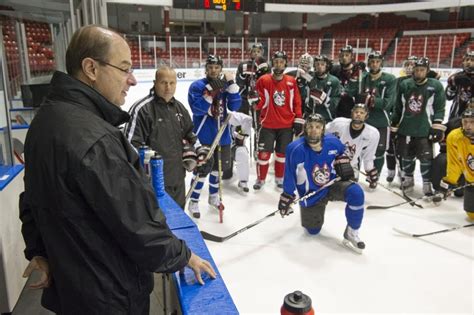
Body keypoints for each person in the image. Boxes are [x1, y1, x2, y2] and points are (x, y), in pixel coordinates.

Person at [19, 25, 216, 314]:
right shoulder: (97, 139)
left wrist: (39, 251)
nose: (133, 80)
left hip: (71, 289)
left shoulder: (45, 120)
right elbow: (138, 226)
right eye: (124, 69)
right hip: (109, 295)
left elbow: (32, 199)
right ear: (91, 68)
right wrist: (185, 256)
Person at [278, 114, 366, 253]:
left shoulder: (333, 142)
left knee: (356, 193)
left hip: (332, 184)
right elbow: (289, 174)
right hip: (311, 194)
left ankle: (352, 232)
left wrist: (342, 161)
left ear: (323, 129)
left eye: (318, 127)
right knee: (313, 231)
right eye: (310, 126)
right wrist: (287, 195)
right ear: (305, 128)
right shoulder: (295, 149)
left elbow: (341, 152)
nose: (314, 130)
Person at [124, 66, 196, 209]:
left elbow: (191, 135)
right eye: (163, 82)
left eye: (172, 83)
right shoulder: (142, 109)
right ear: (155, 82)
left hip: (177, 182)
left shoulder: (180, 108)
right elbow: (129, 146)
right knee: (158, 228)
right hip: (153, 187)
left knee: (179, 225)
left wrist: (198, 153)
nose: (168, 87)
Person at [187, 54, 241, 218]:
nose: (213, 70)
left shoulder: (224, 86)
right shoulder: (197, 86)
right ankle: (194, 201)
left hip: (223, 136)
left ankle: (213, 197)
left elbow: (235, 106)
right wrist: (210, 92)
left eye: (217, 67)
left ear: (221, 69)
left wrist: (232, 88)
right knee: (201, 171)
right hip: (204, 137)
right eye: (210, 67)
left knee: (217, 170)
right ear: (206, 69)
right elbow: (197, 108)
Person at [391, 57, 446, 196]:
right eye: (417, 70)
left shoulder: (435, 86)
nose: (419, 73)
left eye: (422, 70)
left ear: (427, 70)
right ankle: (408, 180)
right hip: (406, 128)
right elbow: (398, 107)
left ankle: (426, 184)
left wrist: (437, 126)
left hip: (424, 130)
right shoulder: (405, 84)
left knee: (426, 159)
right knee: (406, 156)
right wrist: (394, 125)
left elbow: (440, 107)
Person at [253, 50, 303, 190]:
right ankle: (260, 179)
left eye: (281, 62)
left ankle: (279, 178)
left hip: (286, 125)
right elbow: (260, 103)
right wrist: (254, 100)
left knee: (282, 154)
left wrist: (298, 119)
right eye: (276, 62)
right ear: (272, 63)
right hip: (268, 124)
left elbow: (297, 102)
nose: (279, 64)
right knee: (263, 154)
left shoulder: (291, 82)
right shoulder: (263, 80)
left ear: (285, 64)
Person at [358, 51, 396, 176]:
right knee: (357, 149)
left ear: (381, 63)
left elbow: (389, 103)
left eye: (377, 62)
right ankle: (355, 175)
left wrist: (370, 100)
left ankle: (375, 176)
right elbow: (354, 94)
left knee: (379, 151)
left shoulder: (390, 79)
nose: (374, 64)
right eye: (372, 62)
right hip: (363, 121)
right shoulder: (362, 77)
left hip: (381, 121)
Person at [326, 102, 380, 190]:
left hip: (351, 167)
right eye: (356, 112)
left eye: (362, 113)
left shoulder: (372, 134)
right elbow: (321, 134)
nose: (358, 114)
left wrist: (370, 170)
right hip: (330, 164)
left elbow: (368, 157)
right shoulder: (339, 123)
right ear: (352, 113)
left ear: (366, 116)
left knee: (348, 191)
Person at [439, 108, 474, 220]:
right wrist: (449, 181)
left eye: (472, 122)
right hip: (471, 182)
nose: (468, 126)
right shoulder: (455, 137)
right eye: (465, 122)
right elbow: (454, 163)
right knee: (471, 215)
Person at [330, 45, 365, 118]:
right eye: (342, 55)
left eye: (347, 55)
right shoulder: (334, 70)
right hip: (337, 111)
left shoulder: (358, 71)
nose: (344, 57)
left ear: (352, 56)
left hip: (353, 111)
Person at [306, 54, 341, 121]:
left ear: (327, 66)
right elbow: (303, 97)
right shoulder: (309, 78)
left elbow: (336, 101)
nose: (319, 66)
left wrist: (325, 99)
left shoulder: (334, 81)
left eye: (322, 64)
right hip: (311, 118)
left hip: (328, 119)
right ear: (314, 66)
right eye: (317, 64)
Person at [445, 51, 473, 120]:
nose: (468, 62)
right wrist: (452, 86)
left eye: (472, 60)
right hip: (456, 116)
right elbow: (448, 97)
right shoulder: (457, 77)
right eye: (467, 60)